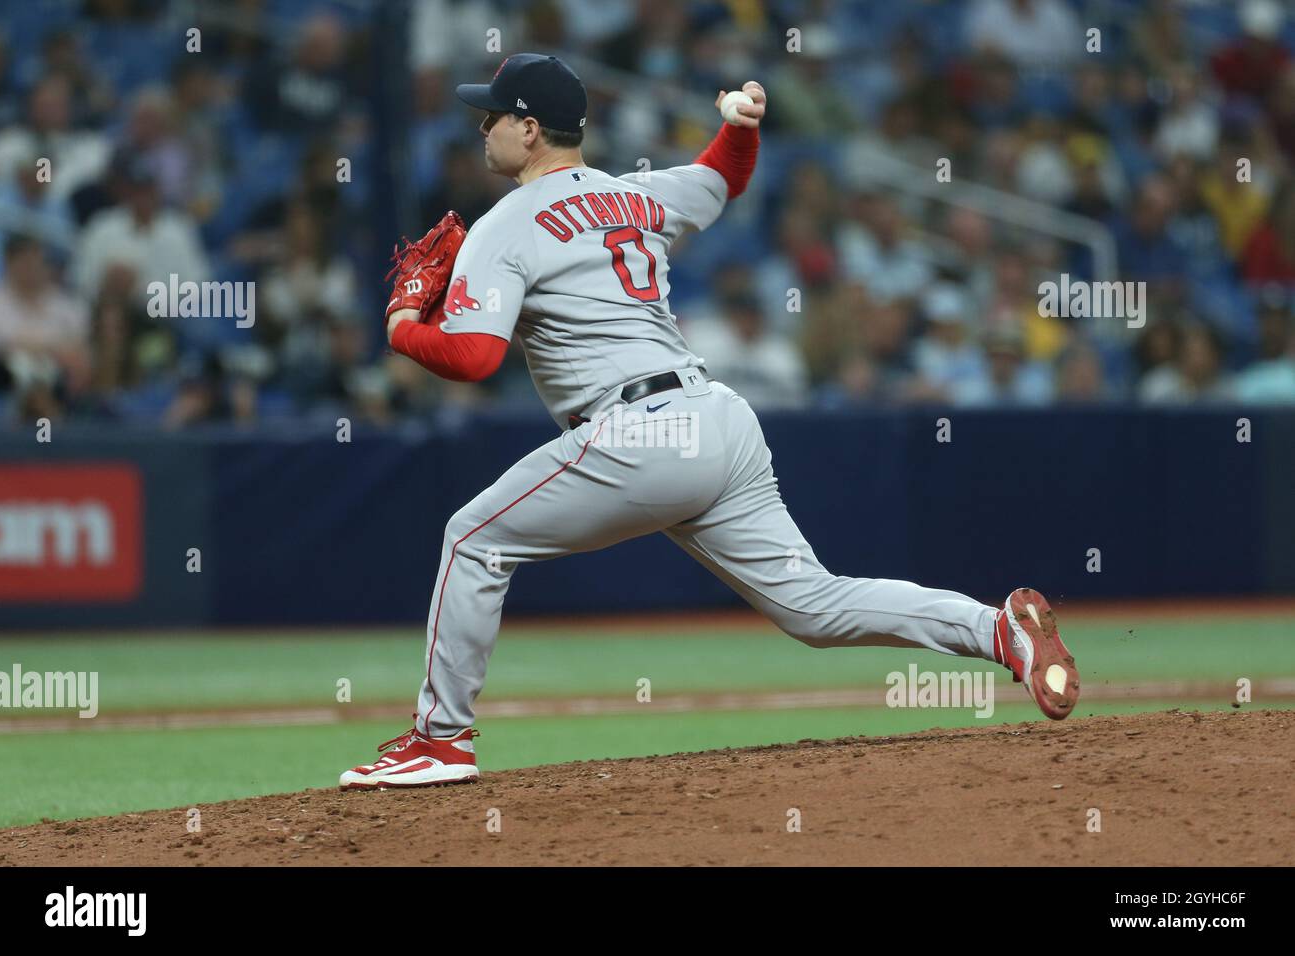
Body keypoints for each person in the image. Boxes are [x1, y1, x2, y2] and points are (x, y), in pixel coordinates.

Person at [339, 55, 1081, 790]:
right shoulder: (631, 195)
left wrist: (403, 321)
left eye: (494, 115)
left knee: (472, 540)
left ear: (529, 129)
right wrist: (742, 127)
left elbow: (471, 358)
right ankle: (995, 628)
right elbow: (722, 179)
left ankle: (440, 742)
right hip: (718, 421)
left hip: (638, 432)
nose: (482, 127)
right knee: (813, 606)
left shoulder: (506, 224)